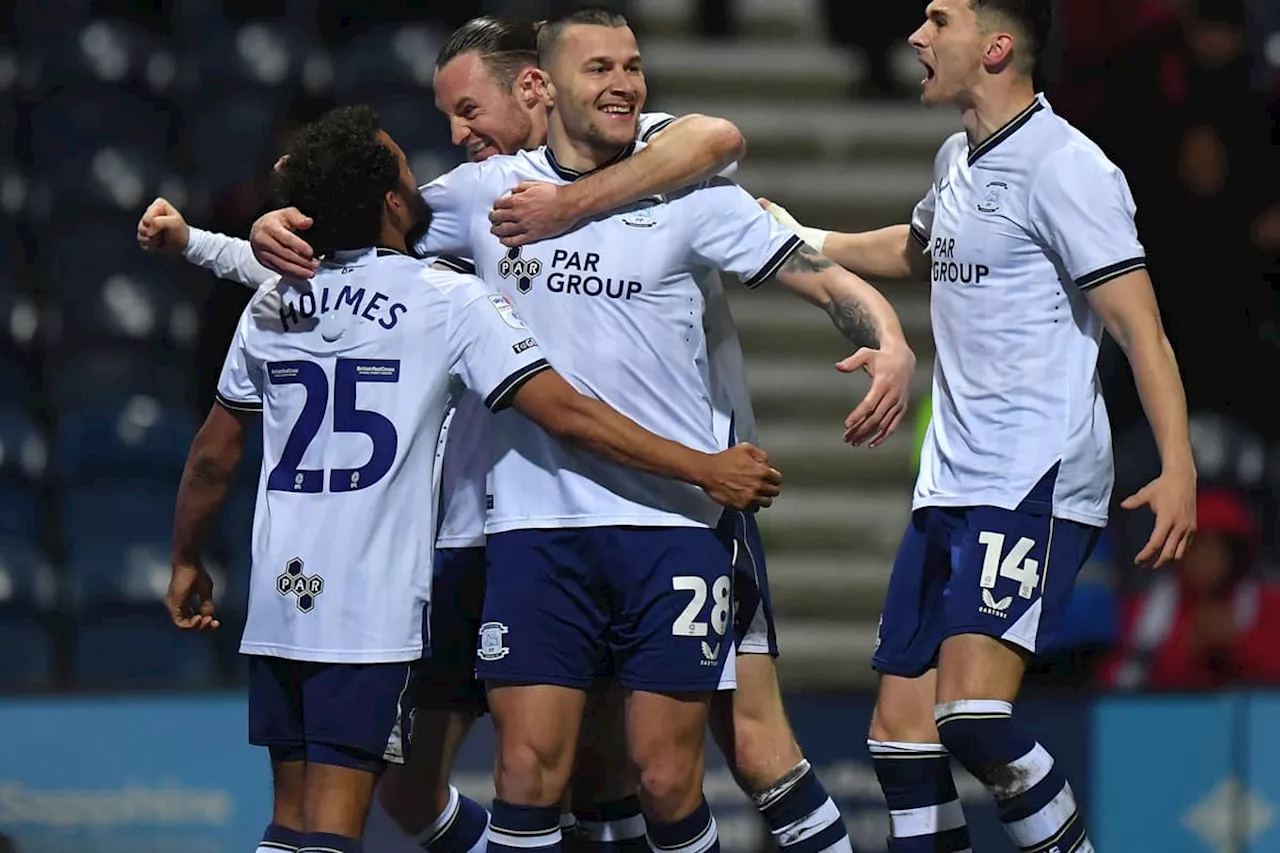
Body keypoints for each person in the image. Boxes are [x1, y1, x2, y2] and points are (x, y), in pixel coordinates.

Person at [145, 14, 865, 853]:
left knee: (639, 770)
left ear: (534, 87)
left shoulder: (656, 161)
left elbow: (212, 453)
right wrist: (264, 226)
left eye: (465, 110)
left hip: (320, 587)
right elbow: (561, 407)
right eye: (434, 134)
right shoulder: (448, 267)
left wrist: (206, 241)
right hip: (463, 547)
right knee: (482, 784)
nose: (454, 138)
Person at [763, 1, 1197, 850]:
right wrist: (808, 237)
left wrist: (1177, 462)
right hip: (951, 476)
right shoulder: (958, 157)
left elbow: (1140, 328)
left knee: (970, 714)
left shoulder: (1066, 167)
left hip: (1033, 474)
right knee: (897, 734)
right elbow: (921, 250)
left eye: (938, 19)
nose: (916, 38)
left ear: (996, 46)